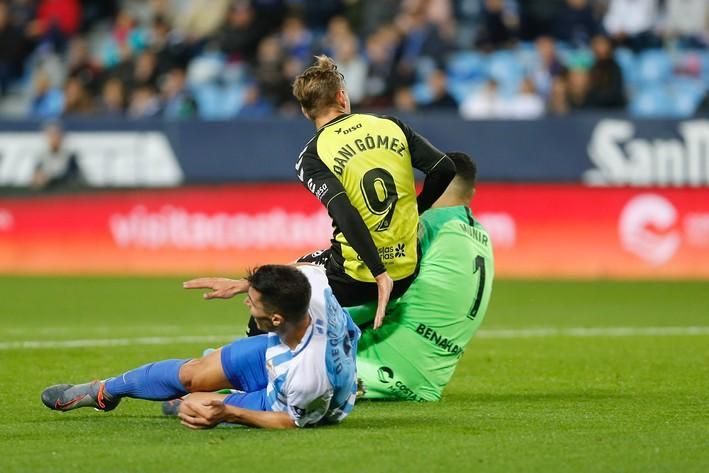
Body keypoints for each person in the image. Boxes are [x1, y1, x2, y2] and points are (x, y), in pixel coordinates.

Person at [41, 264, 360, 429]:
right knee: (194, 374)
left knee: (197, 404)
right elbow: (299, 268)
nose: (247, 302)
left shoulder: (307, 380)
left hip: (291, 402)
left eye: (253, 302)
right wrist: (243, 283)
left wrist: (230, 413)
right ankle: (104, 392)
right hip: (287, 348)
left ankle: (200, 401)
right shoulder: (311, 283)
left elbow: (288, 421)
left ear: (276, 318)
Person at [291, 55, 455, 330]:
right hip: (406, 269)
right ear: (342, 97)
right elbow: (444, 168)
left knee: (282, 285)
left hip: (358, 277)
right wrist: (417, 209)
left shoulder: (312, 155)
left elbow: (344, 211)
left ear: (306, 111)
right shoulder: (391, 125)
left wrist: (379, 273)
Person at [352, 152, 494, 401]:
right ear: (470, 193)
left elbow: (377, 294)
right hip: (428, 385)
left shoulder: (427, 224)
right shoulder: (482, 237)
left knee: (276, 359)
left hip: (378, 365)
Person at [31, 122, 83, 190]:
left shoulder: (70, 156)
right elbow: (36, 178)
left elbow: (73, 178)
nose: (54, 139)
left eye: (56, 135)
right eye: (51, 135)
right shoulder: (42, 156)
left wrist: (51, 180)